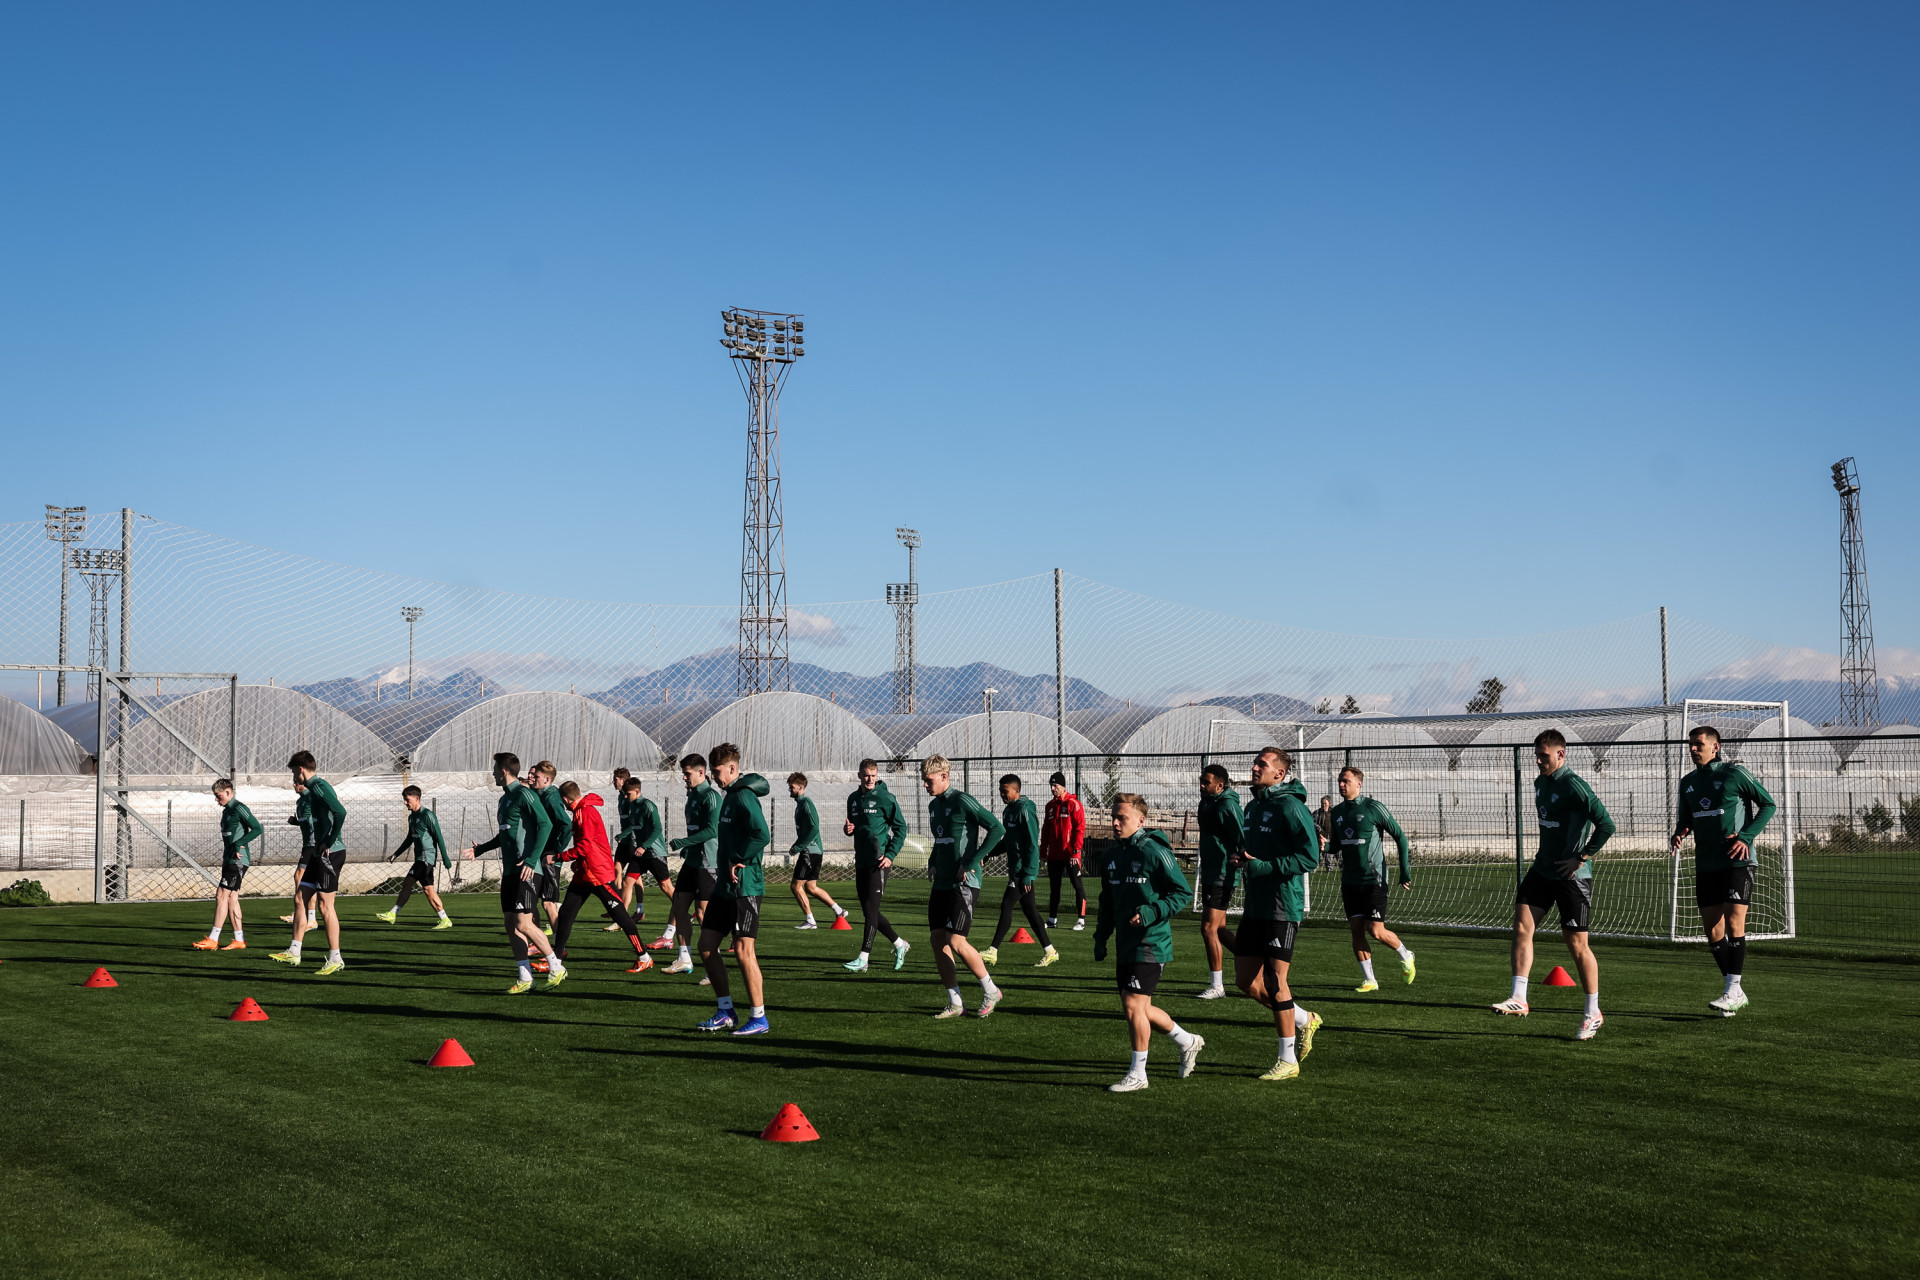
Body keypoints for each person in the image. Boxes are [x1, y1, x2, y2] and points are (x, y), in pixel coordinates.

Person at [1491, 729, 1615, 1041]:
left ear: (1561, 754)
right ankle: (1519, 997)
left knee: (1577, 945)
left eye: (1543, 755)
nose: (1538, 760)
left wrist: (1582, 857)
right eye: (1536, 755)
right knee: (1522, 926)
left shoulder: (1574, 785)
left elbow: (1606, 824)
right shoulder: (1540, 783)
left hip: (1572, 878)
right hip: (1542, 870)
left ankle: (1593, 1012)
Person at [1094, 793, 1205, 1091]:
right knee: (1138, 1008)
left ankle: (1138, 1074)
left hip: (1151, 943)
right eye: (1113, 817)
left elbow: (1181, 892)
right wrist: (1101, 937)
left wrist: (1151, 911)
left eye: (1122, 818)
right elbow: (1107, 901)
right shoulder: (1111, 856)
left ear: (1141, 820)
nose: (1115, 823)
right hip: (1125, 944)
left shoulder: (1154, 851)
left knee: (1133, 1005)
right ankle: (1187, 1041)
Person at [1669, 724, 1776, 1017]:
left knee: (1734, 921)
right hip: (1706, 863)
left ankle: (1732, 990)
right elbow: (1686, 819)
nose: (1693, 749)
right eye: (1691, 744)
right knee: (1713, 930)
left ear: (1715, 747)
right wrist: (1679, 833)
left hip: (1737, 860)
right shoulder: (1688, 782)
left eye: (1699, 744)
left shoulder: (1734, 773)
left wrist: (1746, 836)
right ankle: (1734, 991)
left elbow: (1768, 804)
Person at [1231, 746, 1322, 1082]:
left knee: (1275, 981)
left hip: (1282, 906)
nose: (1255, 767)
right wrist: (1241, 859)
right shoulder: (1253, 806)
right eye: (1255, 762)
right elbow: (1254, 852)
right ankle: (1304, 1019)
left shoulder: (1291, 807)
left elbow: (1309, 857)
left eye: (1263, 764)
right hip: (1255, 905)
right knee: (1245, 981)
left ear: (1279, 774)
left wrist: (1265, 867)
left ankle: (1287, 1060)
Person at [461, 751, 564, 994]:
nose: (493, 774)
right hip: (510, 872)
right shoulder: (504, 800)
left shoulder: (524, 793)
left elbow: (547, 824)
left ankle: (556, 966)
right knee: (511, 924)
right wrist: (480, 849)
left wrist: (531, 859)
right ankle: (525, 977)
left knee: (524, 923)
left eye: (495, 769)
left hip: (527, 870)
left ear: (504, 771)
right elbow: (505, 834)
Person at [695, 744, 773, 1036]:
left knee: (743, 950)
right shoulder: (729, 796)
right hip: (724, 887)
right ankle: (726, 1011)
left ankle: (759, 1017)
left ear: (732, 768)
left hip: (746, 886)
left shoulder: (743, 796)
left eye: (717, 772)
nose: (714, 777)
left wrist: (739, 858)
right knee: (706, 946)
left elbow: (762, 834)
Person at [922, 754, 1006, 1019]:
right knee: (938, 940)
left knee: (956, 941)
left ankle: (991, 990)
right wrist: (932, 862)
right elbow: (941, 841)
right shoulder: (934, 806)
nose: (925, 785)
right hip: (941, 883)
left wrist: (972, 861)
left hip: (964, 883)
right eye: (924, 780)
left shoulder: (962, 800)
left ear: (944, 776)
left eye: (929, 780)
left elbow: (997, 828)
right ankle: (955, 1002)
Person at [550, 780, 652, 973]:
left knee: (620, 916)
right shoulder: (580, 811)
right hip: (585, 873)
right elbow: (587, 846)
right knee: (566, 913)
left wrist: (558, 857)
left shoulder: (585, 812)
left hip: (598, 875)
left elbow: (585, 846)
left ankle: (644, 957)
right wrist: (578, 862)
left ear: (565, 799)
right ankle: (555, 960)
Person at [1329, 766, 1415, 991]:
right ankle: (1370, 980)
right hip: (1350, 881)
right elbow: (1335, 846)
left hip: (1374, 879)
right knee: (1356, 930)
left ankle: (1406, 955)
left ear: (1359, 784)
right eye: (1340, 781)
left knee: (1376, 930)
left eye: (1346, 781)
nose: (1341, 785)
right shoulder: (1337, 812)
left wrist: (1404, 872)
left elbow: (1400, 836)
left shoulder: (1373, 807)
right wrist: (1323, 845)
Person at [271, 752, 349, 975]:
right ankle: (294, 951)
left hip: (330, 853)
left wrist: (329, 841)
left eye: (294, 773)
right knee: (300, 898)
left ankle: (335, 958)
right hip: (317, 853)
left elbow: (340, 812)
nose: (294, 778)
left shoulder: (319, 786)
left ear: (301, 769)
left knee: (325, 906)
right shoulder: (312, 791)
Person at [979, 774, 1058, 968]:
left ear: (1017, 791)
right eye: (1000, 791)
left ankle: (993, 951)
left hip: (1022, 871)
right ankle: (1050, 951)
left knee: (1007, 904)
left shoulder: (1025, 809)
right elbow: (1007, 841)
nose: (1002, 795)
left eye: (1005, 791)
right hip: (1016, 868)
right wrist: (988, 854)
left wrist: (1029, 873)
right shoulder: (1008, 811)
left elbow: (1032, 844)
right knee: (1030, 911)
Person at [842, 758, 911, 973]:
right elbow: (854, 826)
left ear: (877, 775)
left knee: (871, 911)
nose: (869, 779)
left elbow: (901, 829)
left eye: (873, 775)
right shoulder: (853, 799)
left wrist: (890, 855)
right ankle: (900, 944)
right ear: (859, 775)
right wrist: (848, 830)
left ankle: (864, 958)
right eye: (866, 775)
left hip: (879, 862)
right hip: (861, 861)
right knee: (869, 911)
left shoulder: (886, 798)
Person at [664, 753, 722, 976]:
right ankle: (684, 958)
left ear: (701, 772)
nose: (684, 778)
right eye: (683, 773)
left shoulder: (711, 797)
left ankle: (712, 966)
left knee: (703, 912)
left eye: (687, 774)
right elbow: (695, 829)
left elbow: (712, 830)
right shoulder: (693, 795)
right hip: (692, 861)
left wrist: (684, 842)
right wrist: (689, 848)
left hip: (708, 863)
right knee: (679, 906)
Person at [1193, 763, 1243, 998]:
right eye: (1201, 782)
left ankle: (1217, 986)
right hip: (1210, 871)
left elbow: (1243, 835)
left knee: (1208, 928)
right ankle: (1256, 962)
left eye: (1207, 783)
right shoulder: (1206, 802)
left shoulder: (1228, 805)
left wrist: (1242, 857)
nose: (1202, 786)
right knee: (1220, 930)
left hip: (1223, 872)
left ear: (1220, 785)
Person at [194, 778, 261, 951]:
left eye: (219, 796)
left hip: (238, 860)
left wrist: (240, 843)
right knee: (231, 898)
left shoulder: (239, 808)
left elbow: (257, 828)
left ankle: (213, 939)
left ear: (228, 792)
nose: (216, 799)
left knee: (221, 895)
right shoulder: (227, 811)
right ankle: (239, 940)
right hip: (229, 859)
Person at [375, 786, 453, 928]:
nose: (405, 803)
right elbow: (409, 839)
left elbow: (439, 837)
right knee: (428, 890)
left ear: (417, 798)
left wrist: (445, 859)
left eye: (407, 800)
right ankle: (445, 919)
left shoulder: (428, 815)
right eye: (404, 800)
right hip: (420, 859)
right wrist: (396, 854)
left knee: (408, 882)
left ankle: (393, 913)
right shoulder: (411, 817)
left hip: (426, 859)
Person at [613, 776, 676, 937]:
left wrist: (644, 845)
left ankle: (682, 911)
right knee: (627, 882)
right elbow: (634, 827)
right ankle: (622, 919)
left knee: (666, 887)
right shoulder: (631, 806)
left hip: (654, 852)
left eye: (628, 794)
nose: (625, 797)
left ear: (637, 791)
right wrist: (624, 836)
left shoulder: (647, 805)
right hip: (640, 854)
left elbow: (657, 828)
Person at [785, 772, 847, 929]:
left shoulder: (806, 803)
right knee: (811, 887)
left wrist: (799, 846)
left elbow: (814, 828)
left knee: (796, 886)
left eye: (792, 787)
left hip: (810, 852)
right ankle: (839, 911)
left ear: (801, 787)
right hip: (812, 851)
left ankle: (810, 921)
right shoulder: (800, 804)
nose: (790, 790)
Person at [1040, 771, 1088, 931]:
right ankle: (1052, 919)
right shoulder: (1050, 806)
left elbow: (1080, 828)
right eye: (1051, 785)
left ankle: (1081, 919)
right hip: (1054, 855)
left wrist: (1076, 851)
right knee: (1054, 888)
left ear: (1063, 786)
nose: (1052, 789)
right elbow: (1046, 830)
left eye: (1055, 786)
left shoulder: (1073, 804)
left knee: (1077, 886)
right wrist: (1043, 851)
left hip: (1070, 855)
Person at [529, 762, 571, 938]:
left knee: (548, 903)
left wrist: (556, 851)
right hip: (540, 854)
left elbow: (566, 824)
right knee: (534, 902)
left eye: (536, 776)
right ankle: (538, 941)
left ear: (547, 780)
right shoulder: (540, 795)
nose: (532, 778)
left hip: (549, 857)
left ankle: (559, 945)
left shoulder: (551, 797)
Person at [278, 782, 317, 929]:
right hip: (307, 844)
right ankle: (308, 917)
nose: (294, 784)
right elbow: (307, 821)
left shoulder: (312, 798)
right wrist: (297, 822)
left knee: (300, 876)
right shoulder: (301, 801)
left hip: (313, 844)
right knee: (308, 880)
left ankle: (304, 915)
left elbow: (317, 819)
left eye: (297, 782)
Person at [1314, 795, 1335, 859]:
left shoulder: (1333, 812)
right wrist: (1318, 828)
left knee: (1331, 859)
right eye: (1322, 803)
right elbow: (1312, 823)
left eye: (1325, 803)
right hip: (1320, 838)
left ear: (1329, 804)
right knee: (1320, 858)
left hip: (1331, 839)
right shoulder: (1317, 813)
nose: (1323, 805)